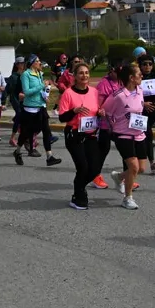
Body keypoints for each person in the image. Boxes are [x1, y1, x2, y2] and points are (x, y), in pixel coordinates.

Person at [101, 62, 148, 210]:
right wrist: (114, 125)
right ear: (131, 78)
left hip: (139, 133)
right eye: (139, 74)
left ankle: (119, 176)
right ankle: (128, 198)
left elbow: (138, 106)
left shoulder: (140, 90)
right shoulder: (118, 96)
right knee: (133, 167)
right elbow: (106, 111)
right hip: (123, 135)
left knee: (141, 169)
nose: (142, 76)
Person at [58, 62, 104, 210]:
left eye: (86, 73)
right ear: (75, 76)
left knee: (95, 168)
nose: (84, 75)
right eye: (80, 73)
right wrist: (74, 111)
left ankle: (79, 188)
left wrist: (100, 113)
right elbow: (62, 118)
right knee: (83, 167)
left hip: (90, 134)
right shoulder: (68, 94)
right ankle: (79, 196)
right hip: (74, 134)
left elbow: (96, 110)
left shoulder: (94, 91)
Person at [13, 55, 62, 167]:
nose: (40, 63)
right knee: (26, 132)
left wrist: (45, 94)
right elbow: (26, 91)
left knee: (46, 130)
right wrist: (41, 85)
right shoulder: (26, 75)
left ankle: (49, 156)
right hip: (30, 108)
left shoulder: (39, 74)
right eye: (37, 61)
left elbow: (40, 90)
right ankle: (17, 151)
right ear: (32, 63)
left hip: (41, 106)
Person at [137, 55, 155, 173]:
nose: (147, 66)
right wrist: (143, 103)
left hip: (153, 111)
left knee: (146, 137)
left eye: (150, 64)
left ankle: (143, 161)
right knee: (146, 136)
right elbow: (129, 95)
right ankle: (151, 163)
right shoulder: (136, 78)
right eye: (144, 64)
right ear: (140, 66)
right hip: (139, 112)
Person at [4, 57, 26, 147]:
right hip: (15, 99)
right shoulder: (13, 77)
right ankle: (12, 138)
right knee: (19, 115)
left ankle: (27, 137)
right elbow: (8, 90)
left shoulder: (25, 74)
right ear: (17, 65)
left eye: (24, 63)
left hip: (23, 99)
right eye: (21, 63)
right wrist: (3, 102)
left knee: (22, 117)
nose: (23, 64)